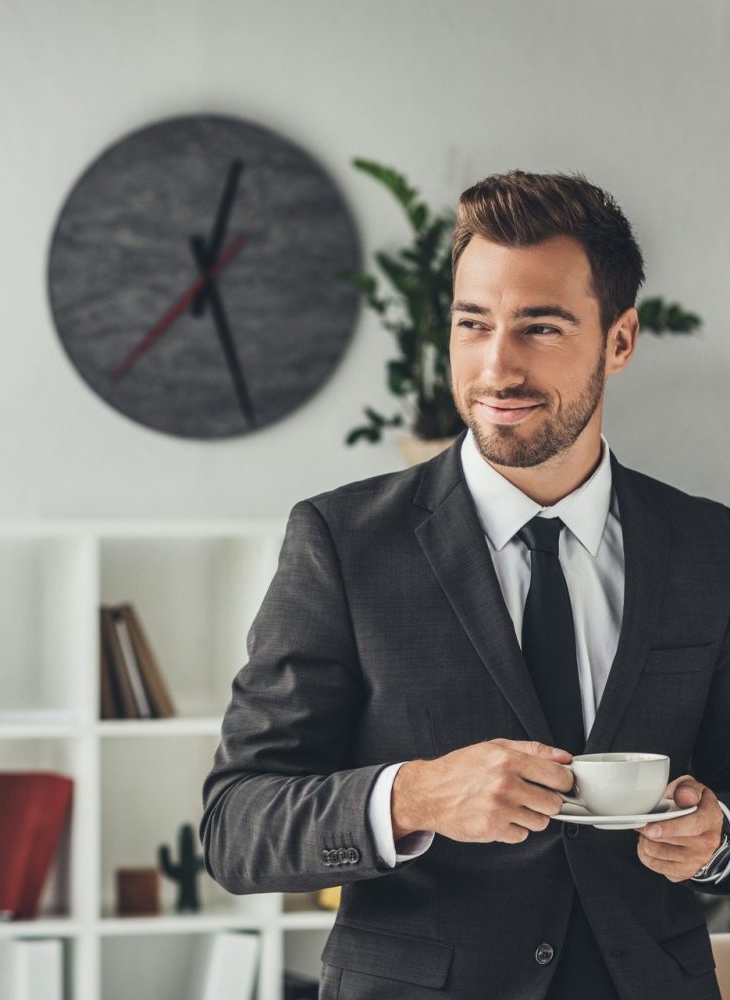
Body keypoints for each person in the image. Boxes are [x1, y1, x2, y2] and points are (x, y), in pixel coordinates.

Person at [200, 171, 730, 1000]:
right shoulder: (342, 543)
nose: (496, 367)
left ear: (620, 341)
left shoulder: (710, 547)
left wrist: (718, 838)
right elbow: (237, 827)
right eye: (472, 323)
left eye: (540, 328)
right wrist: (412, 796)